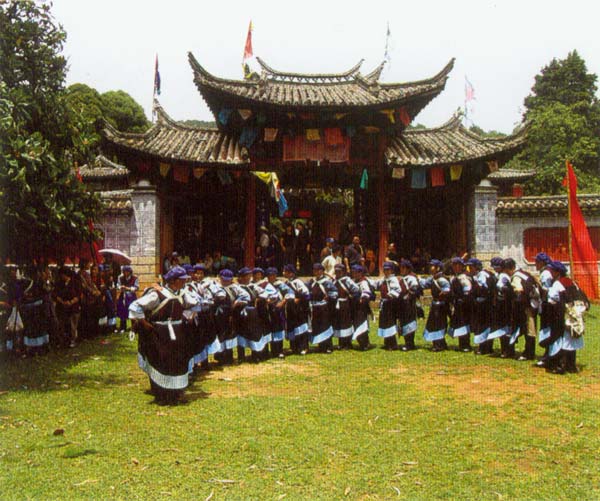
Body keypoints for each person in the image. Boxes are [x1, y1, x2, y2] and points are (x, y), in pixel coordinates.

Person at [129, 265, 198, 404]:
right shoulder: (157, 294)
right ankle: (161, 395)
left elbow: (195, 304)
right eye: (181, 279)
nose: (184, 282)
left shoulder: (183, 294)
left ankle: (175, 393)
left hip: (178, 333)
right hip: (160, 334)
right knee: (161, 362)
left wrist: (188, 316)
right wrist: (143, 322)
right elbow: (135, 306)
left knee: (177, 362)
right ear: (173, 281)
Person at [541, 260, 587, 374]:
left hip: (562, 315)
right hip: (575, 315)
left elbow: (552, 300)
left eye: (552, 271)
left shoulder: (557, 284)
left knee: (560, 340)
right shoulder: (572, 282)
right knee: (571, 339)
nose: (550, 273)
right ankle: (571, 366)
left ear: (557, 272)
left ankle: (560, 366)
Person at [505, 258, 540, 361]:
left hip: (526, 305)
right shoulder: (525, 273)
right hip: (534, 303)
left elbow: (519, 290)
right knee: (530, 328)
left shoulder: (516, 277)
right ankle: (529, 352)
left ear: (509, 268)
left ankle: (528, 353)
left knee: (529, 329)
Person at [213, 269, 250, 365]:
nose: (226, 282)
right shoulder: (215, 287)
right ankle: (220, 357)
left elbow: (246, 296)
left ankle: (229, 356)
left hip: (231, 313)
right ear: (220, 278)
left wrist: (238, 301)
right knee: (220, 335)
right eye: (224, 279)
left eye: (228, 280)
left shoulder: (234, 288)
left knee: (230, 334)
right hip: (219, 314)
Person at [237, 267, 271, 362]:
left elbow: (265, 293)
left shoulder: (254, 286)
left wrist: (259, 298)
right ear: (241, 277)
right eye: (246, 276)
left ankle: (255, 355)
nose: (248, 278)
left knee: (254, 333)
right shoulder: (237, 287)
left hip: (253, 312)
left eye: (249, 275)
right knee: (241, 333)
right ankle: (241, 356)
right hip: (241, 312)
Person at [307, 263, 338, 353]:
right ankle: (321, 345)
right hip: (314, 306)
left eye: (318, 270)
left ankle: (328, 346)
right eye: (314, 270)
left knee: (325, 326)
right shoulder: (311, 282)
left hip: (323, 307)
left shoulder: (327, 282)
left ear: (322, 271)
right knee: (317, 326)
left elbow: (335, 292)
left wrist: (328, 296)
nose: (316, 272)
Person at [420, 259, 450, 352]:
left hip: (441, 305)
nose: (430, 268)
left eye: (432, 266)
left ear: (438, 268)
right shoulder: (432, 279)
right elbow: (424, 284)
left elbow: (448, 289)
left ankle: (439, 345)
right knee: (433, 324)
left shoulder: (442, 279)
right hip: (435, 305)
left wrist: (444, 292)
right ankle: (439, 343)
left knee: (439, 324)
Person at [467, 258, 495, 355]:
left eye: (471, 267)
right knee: (485, 325)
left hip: (484, 305)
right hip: (486, 304)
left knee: (482, 326)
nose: (469, 269)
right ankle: (487, 347)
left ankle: (483, 347)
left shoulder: (481, 276)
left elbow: (483, 289)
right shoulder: (485, 274)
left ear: (476, 267)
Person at [265, 267, 294, 358]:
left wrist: (283, 302)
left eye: (273, 275)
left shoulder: (280, 285)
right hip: (268, 310)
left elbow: (290, 293)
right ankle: (273, 350)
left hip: (278, 310)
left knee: (278, 328)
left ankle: (279, 350)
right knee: (270, 329)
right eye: (269, 275)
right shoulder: (265, 285)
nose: (271, 277)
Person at [282, 264, 310, 355]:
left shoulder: (298, 282)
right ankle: (293, 347)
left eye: (285, 271)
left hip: (298, 308)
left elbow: (306, 293)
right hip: (290, 308)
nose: (283, 273)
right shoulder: (286, 283)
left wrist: (298, 299)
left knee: (300, 326)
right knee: (292, 326)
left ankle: (304, 347)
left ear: (291, 273)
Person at [488, 257, 512, 356]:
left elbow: (501, 287)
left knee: (504, 328)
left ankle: (506, 350)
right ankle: (505, 349)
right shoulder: (500, 275)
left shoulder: (503, 276)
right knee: (503, 328)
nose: (494, 269)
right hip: (502, 304)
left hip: (504, 304)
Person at [332, 263, 360, 349]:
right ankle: (341, 343)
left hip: (345, 304)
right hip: (337, 305)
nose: (337, 273)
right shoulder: (334, 281)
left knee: (346, 323)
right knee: (339, 323)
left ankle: (347, 343)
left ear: (343, 272)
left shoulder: (347, 280)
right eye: (336, 271)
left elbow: (356, 289)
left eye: (339, 271)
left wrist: (351, 297)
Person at [375, 261, 401, 350]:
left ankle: (392, 344)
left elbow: (397, 289)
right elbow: (376, 285)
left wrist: (390, 295)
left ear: (392, 270)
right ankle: (387, 342)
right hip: (384, 304)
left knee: (390, 323)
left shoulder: (393, 279)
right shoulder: (383, 279)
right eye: (385, 270)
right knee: (384, 322)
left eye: (388, 270)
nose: (386, 271)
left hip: (390, 304)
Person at [53, 266, 81, 348]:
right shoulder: (59, 284)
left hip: (73, 307)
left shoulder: (75, 283)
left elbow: (79, 294)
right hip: (62, 307)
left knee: (72, 325)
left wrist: (71, 302)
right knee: (62, 325)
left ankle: (73, 340)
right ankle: (63, 341)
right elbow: (55, 295)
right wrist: (62, 302)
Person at [448, 257, 472, 352]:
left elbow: (468, 289)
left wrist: (464, 300)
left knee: (464, 323)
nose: (455, 267)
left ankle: (466, 345)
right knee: (459, 323)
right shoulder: (454, 277)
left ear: (462, 266)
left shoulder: (464, 277)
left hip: (464, 304)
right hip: (457, 304)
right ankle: (461, 344)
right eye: (454, 265)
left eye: (457, 265)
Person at [535, 252, 554, 368]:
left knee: (547, 330)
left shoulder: (545, 273)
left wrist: (537, 285)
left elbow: (546, 291)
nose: (535, 264)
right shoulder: (548, 271)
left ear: (542, 262)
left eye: (537, 262)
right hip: (549, 305)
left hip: (547, 305)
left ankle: (548, 356)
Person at [397, 259, 421, 351]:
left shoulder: (411, 278)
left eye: (403, 268)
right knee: (403, 322)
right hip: (402, 304)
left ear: (408, 269)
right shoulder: (401, 279)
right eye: (401, 267)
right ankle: (407, 342)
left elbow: (415, 288)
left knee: (409, 323)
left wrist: (408, 296)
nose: (401, 269)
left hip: (409, 304)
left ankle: (410, 344)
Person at [350, 265, 375, 350]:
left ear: (361, 273)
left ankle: (365, 344)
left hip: (361, 308)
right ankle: (361, 343)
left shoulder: (363, 282)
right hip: (354, 307)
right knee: (356, 324)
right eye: (353, 272)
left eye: (357, 272)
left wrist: (362, 300)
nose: (355, 274)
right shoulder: (353, 282)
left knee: (362, 325)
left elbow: (366, 292)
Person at [116, 265, 139, 333]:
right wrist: (120, 287)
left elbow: (136, 288)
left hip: (131, 296)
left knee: (132, 310)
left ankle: (134, 328)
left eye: (127, 271)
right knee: (122, 310)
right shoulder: (120, 277)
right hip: (123, 296)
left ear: (130, 272)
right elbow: (118, 285)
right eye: (124, 271)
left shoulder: (135, 278)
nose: (125, 273)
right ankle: (123, 327)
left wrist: (128, 288)